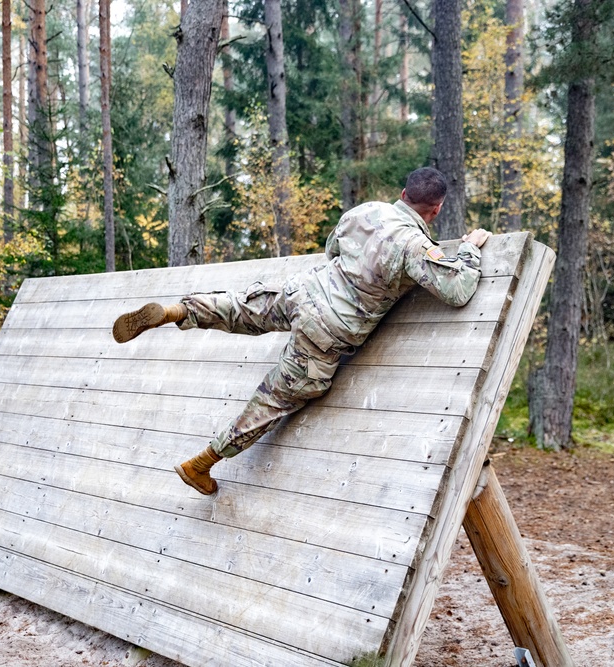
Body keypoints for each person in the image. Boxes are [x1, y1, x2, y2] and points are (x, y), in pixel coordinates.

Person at [112, 167, 492, 495]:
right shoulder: (415, 244)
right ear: (436, 209)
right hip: (328, 329)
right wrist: (471, 250)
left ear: (403, 194)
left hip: (302, 291)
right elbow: (456, 291)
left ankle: (176, 310)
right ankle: (201, 465)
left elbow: (332, 251)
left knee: (239, 307)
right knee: (275, 399)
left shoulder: (366, 211)